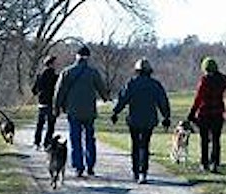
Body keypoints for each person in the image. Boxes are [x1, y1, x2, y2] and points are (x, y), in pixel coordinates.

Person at [111, 58, 171, 184]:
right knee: (145, 145)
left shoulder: (131, 83)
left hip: (134, 119)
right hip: (149, 120)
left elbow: (123, 99)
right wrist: (166, 117)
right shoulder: (155, 84)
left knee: (135, 146)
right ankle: (143, 172)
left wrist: (115, 112)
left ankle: (135, 172)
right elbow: (162, 101)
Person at [54, 45, 109, 177]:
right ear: (88, 57)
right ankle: (90, 165)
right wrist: (105, 97)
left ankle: (78, 166)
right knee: (90, 138)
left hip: (73, 111)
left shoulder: (67, 72)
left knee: (75, 138)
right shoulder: (93, 72)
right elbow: (102, 90)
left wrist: (56, 107)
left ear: (76, 56)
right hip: (89, 111)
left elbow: (59, 91)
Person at [187, 57, 226, 173]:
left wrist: (192, 112)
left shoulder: (204, 81)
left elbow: (198, 98)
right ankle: (214, 163)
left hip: (204, 113)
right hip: (218, 113)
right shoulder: (223, 80)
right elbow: (225, 97)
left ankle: (204, 163)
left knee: (204, 140)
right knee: (216, 139)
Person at [32, 55, 59, 150]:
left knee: (40, 124)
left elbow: (34, 90)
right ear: (51, 64)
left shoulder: (40, 75)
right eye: (55, 63)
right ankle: (46, 143)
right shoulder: (56, 77)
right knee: (50, 125)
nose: (56, 65)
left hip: (42, 102)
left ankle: (37, 142)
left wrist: (39, 92)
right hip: (51, 103)